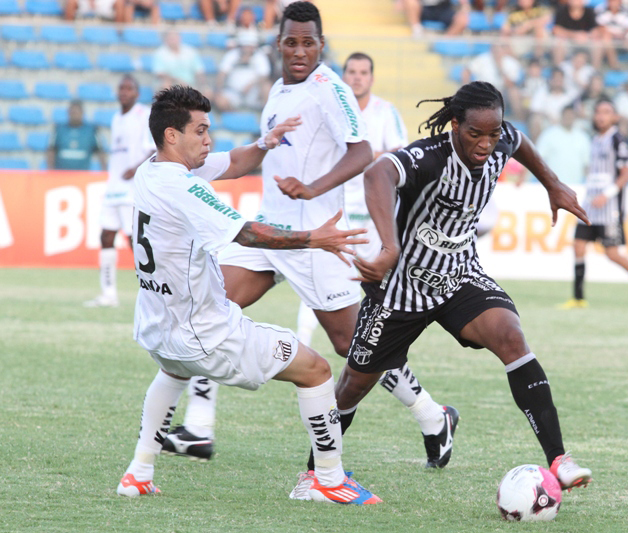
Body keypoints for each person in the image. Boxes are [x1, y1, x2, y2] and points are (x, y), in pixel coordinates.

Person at [165, 3, 457, 475]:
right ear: (278, 44)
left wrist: (313, 188)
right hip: (270, 230)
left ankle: (432, 415)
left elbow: (362, 152)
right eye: (290, 41)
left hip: (317, 238)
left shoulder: (330, 90)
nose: (299, 51)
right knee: (209, 306)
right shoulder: (280, 89)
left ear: (321, 45)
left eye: (308, 42)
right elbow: (259, 158)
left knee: (353, 344)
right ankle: (198, 426)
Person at [293, 81, 594, 498]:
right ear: (455, 124)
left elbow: (520, 141)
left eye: (493, 133)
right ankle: (317, 475)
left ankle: (559, 460)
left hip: (457, 276)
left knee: (511, 336)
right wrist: (389, 245)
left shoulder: (501, 138)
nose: (486, 143)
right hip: (400, 287)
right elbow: (377, 172)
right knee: (354, 385)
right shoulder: (430, 158)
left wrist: (553, 184)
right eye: (475, 134)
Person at [115, 84, 380, 505]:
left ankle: (138, 472)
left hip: (157, 329)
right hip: (205, 332)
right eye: (201, 131)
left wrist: (265, 142)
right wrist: (315, 237)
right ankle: (328, 481)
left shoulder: (154, 169)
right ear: (172, 135)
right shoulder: (183, 186)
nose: (209, 139)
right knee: (316, 370)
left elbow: (236, 162)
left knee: (174, 370)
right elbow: (248, 232)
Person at [295, 51, 410, 345]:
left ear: (371, 78)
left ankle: (376, 347)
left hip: (374, 216)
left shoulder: (386, 111)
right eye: (352, 72)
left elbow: (401, 155)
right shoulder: (330, 109)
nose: (357, 77)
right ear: (343, 76)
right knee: (323, 278)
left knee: (374, 284)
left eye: (363, 72)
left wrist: (369, 157)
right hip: (334, 211)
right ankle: (304, 340)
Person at [559, 99, 628, 311]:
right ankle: (578, 298)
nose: (601, 116)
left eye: (606, 112)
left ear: (615, 117)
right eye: (598, 112)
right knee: (578, 246)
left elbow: (627, 173)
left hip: (609, 209)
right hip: (590, 205)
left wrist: (608, 193)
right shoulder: (595, 140)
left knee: (612, 253)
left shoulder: (618, 140)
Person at [84, 76, 154, 308]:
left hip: (131, 188)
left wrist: (135, 168)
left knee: (134, 239)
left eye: (129, 89)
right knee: (105, 236)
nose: (124, 92)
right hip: (114, 186)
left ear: (137, 93)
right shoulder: (116, 118)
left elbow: (154, 147)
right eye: (121, 88)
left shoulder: (143, 115)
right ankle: (108, 294)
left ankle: (152, 292)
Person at [214, 30, 272, 111]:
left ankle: (266, 116)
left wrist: (251, 84)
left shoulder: (260, 56)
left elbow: (264, 76)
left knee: (267, 87)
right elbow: (222, 74)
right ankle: (235, 118)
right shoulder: (231, 55)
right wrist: (218, 91)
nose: (248, 49)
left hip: (254, 93)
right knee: (220, 101)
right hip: (232, 92)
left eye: (250, 46)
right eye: (246, 46)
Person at [536, 106, 591, 185]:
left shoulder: (583, 137)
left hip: (576, 186)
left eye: (571, 115)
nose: (568, 118)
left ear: (575, 117)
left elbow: (587, 165)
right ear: (561, 116)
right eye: (566, 115)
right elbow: (538, 159)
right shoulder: (548, 134)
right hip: (553, 186)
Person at [48, 100, 106, 171]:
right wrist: (50, 170)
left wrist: (104, 171)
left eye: (76, 112)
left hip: (83, 175)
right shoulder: (59, 129)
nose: (74, 115)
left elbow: (100, 151)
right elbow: (51, 151)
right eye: (72, 112)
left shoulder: (91, 130)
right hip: (61, 175)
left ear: (82, 113)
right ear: (68, 113)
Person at [553, 0, 603, 69]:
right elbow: (556, 30)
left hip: (586, 41)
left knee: (598, 45)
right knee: (558, 43)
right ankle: (558, 71)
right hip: (568, 42)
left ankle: (595, 71)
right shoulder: (562, 11)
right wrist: (574, 35)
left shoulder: (589, 11)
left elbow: (596, 30)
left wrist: (586, 36)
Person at [402, 0, 470, 37]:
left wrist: (464, 5)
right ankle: (417, 30)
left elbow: (464, 4)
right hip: (424, 8)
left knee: (462, 19)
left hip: (444, 9)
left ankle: (443, 42)